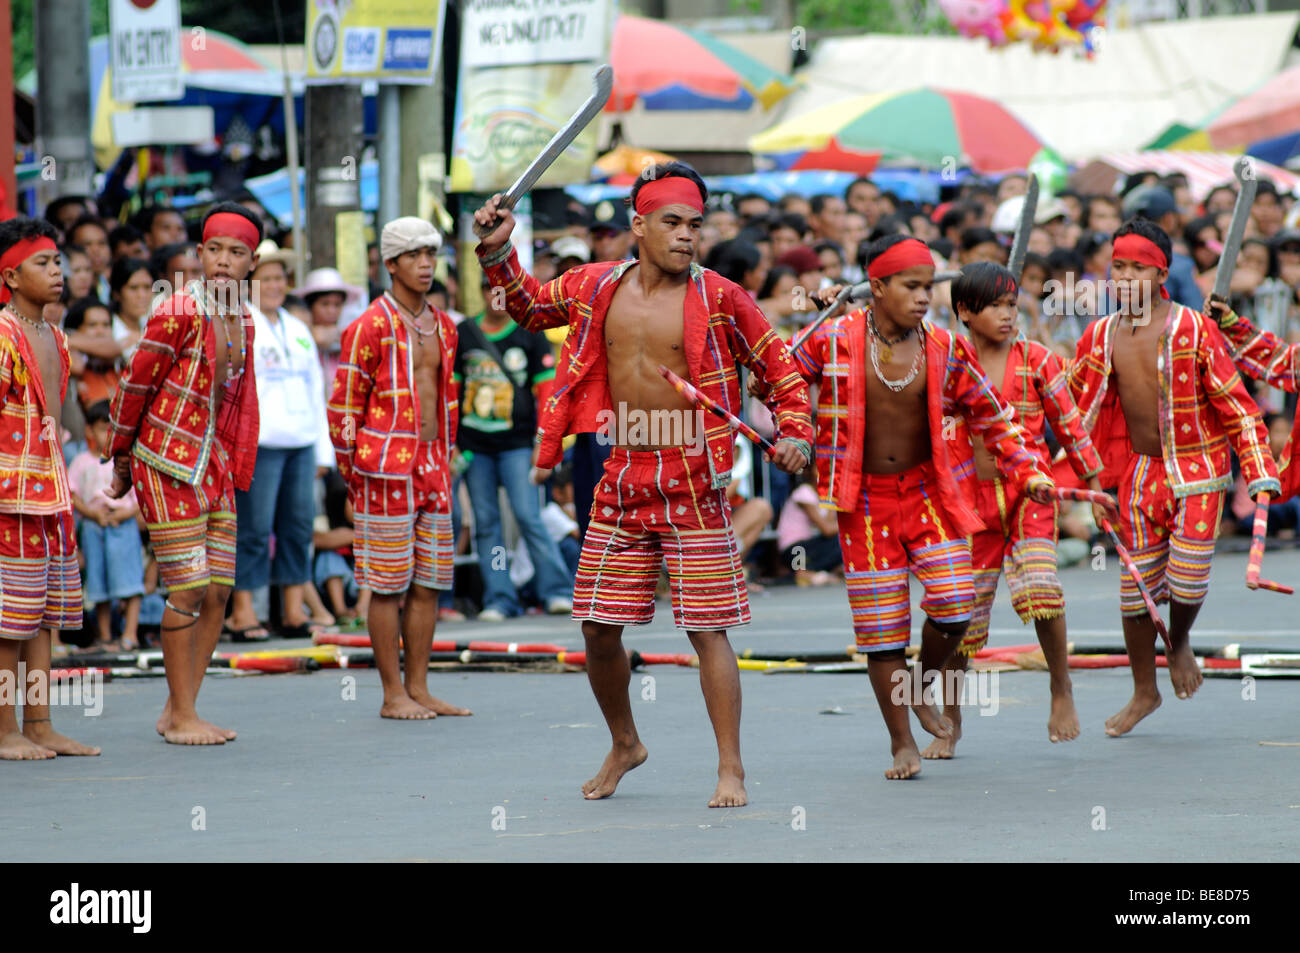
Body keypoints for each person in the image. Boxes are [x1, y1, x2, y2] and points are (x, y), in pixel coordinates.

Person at [475, 162, 813, 807]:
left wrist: (795, 431)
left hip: (692, 477)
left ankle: (731, 768)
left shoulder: (722, 298)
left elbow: (783, 375)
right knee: (598, 628)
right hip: (622, 470)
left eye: (695, 225)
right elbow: (522, 307)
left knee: (707, 628)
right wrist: (497, 251)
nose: (687, 236)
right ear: (638, 226)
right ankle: (625, 742)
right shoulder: (592, 285)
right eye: (672, 223)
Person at [779, 235, 1053, 780]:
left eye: (929, 286)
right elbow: (781, 378)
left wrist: (1029, 469)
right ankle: (901, 742)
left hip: (932, 497)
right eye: (911, 286)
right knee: (882, 634)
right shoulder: (833, 338)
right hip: (864, 503)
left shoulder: (947, 348)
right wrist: (796, 433)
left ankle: (923, 686)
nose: (925, 297)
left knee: (955, 607)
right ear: (876, 288)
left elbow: (993, 417)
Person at [1067, 219, 1279, 736]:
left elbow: (1236, 406)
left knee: (1185, 583)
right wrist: (1087, 480)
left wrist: (1258, 469)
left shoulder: (1194, 328)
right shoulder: (1099, 334)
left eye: (1137, 267)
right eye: (1117, 266)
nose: (1124, 277)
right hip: (1139, 474)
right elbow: (1070, 407)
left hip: (1199, 469)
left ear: (1160, 272)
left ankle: (1179, 640)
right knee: (1133, 592)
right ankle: (1145, 690)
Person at [104, 202, 264, 745]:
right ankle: (182, 717)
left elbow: (237, 404)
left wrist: (235, 461)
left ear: (252, 261)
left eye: (235, 252)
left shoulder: (243, 319)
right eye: (213, 250)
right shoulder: (176, 310)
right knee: (190, 586)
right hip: (165, 459)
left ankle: (181, 709)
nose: (222, 261)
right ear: (199, 255)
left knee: (219, 589)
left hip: (212, 463)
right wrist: (122, 458)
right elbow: (134, 385)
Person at [932, 262, 1105, 756]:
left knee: (1042, 589)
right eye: (995, 306)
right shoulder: (945, 363)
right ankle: (951, 716)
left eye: (1012, 305)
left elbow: (1070, 429)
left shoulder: (1038, 360)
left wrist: (1095, 493)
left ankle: (1061, 688)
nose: (1008, 315)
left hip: (1032, 496)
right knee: (959, 616)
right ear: (965, 311)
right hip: (970, 505)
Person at [327, 216, 471, 721]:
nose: (426, 264)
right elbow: (343, 409)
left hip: (434, 463)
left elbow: (450, 397)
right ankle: (392, 695)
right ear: (390, 264)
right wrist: (354, 474)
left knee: (430, 581)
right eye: (414, 256)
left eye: (431, 254)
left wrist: (448, 455)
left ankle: (420, 687)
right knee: (387, 584)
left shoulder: (446, 326)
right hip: (383, 468)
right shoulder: (369, 325)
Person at [0, 217, 99, 760]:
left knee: (41, 617)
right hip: (9, 495)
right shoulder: (2, 335)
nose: (57, 271)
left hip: (50, 491)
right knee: (6, 621)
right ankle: (2, 728)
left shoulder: (55, 337)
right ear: (11, 276)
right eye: (43, 263)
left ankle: (38, 723)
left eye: (59, 261)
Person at [227, 241, 333, 641]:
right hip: (261, 442)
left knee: (298, 527)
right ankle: (243, 612)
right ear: (251, 282)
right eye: (266, 278)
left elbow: (315, 390)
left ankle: (292, 610)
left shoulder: (298, 328)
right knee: (253, 529)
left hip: (302, 441)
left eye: (279, 278)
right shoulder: (241, 323)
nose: (274, 285)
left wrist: (322, 449)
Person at [455, 271, 572, 621]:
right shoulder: (464, 334)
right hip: (474, 447)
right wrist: (452, 444)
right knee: (487, 523)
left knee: (528, 516)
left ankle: (556, 589)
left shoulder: (530, 333)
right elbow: (452, 391)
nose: (498, 297)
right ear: (480, 292)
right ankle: (499, 597)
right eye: (491, 289)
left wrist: (544, 442)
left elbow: (546, 393)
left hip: (518, 445)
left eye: (505, 291)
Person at [69, 400, 144, 652]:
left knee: (130, 580)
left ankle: (130, 635)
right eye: (103, 428)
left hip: (123, 526)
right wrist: (92, 513)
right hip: (93, 526)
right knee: (99, 582)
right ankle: (105, 637)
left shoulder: (125, 460)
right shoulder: (81, 462)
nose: (108, 434)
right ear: (89, 430)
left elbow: (139, 498)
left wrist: (123, 514)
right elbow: (72, 494)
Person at [775, 468, 841, 586]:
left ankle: (810, 573)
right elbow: (827, 529)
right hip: (795, 550)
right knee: (841, 540)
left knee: (840, 541)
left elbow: (830, 526)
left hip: (809, 548)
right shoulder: (804, 492)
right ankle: (804, 573)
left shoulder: (827, 496)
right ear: (809, 471)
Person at [62, 296, 121, 411]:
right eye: (92, 325)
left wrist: (68, 341)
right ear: (75, 330)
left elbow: (116, 347)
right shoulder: (68, 358)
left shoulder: (119, 361)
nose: (101, 332)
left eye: (106, 325)